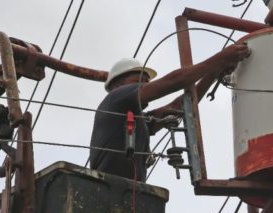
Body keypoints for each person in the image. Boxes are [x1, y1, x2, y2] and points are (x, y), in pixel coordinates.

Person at [89, 43, 251, 181]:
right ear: (115, 86)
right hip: (106, 187)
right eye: (137, 81)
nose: (143, 85)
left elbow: (178, 107)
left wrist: (215, 72)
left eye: (146, 82)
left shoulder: (137, 120)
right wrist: (219, 59)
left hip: (127, 193)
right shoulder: (114, 99)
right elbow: (174, 81)